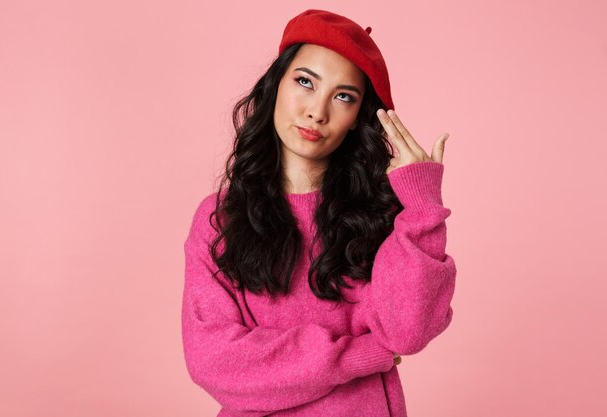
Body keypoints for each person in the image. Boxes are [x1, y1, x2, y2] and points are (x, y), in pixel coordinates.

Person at [181, 9, 456, 417]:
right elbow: (215, 362)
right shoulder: (220, 219)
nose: (317, 111)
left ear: (356, 119)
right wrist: (362, 353)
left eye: (343, 96)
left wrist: (422, 207)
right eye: (305, 82)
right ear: (275, 86)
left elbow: (408, 332)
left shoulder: (384, 216)